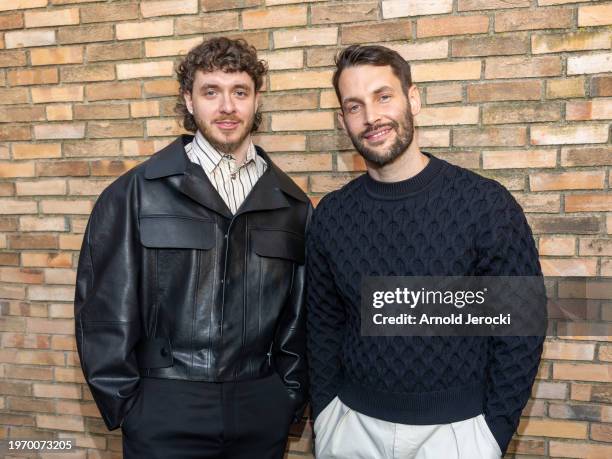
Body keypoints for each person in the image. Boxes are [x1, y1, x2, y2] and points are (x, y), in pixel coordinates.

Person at [75, 37, 310, 459]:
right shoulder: (135, 194)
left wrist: (286, 397)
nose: (227, 107)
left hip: (260, 409)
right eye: (211, 92)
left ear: (257, 100)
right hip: (164, 408)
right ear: (189, 98)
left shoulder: (291, 204)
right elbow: (104, 310)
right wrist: (130, 407)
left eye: (240, 92)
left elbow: (300, 315)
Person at [306, 44, 545, 459]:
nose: (371, 117)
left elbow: (521, 329)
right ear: (342, 120)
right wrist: (326, 413)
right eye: (354, 106)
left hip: (457, 435)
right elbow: (323, 325)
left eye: (383, 96)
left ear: (412, 99)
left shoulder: (485, 204)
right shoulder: (332, 214)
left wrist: (492, 432)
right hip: (351, 430)